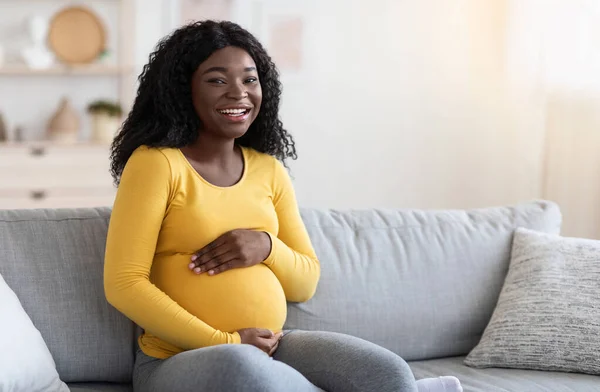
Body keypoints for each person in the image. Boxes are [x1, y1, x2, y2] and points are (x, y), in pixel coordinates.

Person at [103, 20, 462, 392]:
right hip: (177, 359)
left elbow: (305, 282)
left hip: (273, 348)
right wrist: (225, 342)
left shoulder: (269, 170)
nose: (238, 93)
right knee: (245, 370)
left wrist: (266, 247)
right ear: (182, 91)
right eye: (217, 80)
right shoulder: (156, 164)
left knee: (385, 371)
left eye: (249, 79)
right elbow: (124, 285)